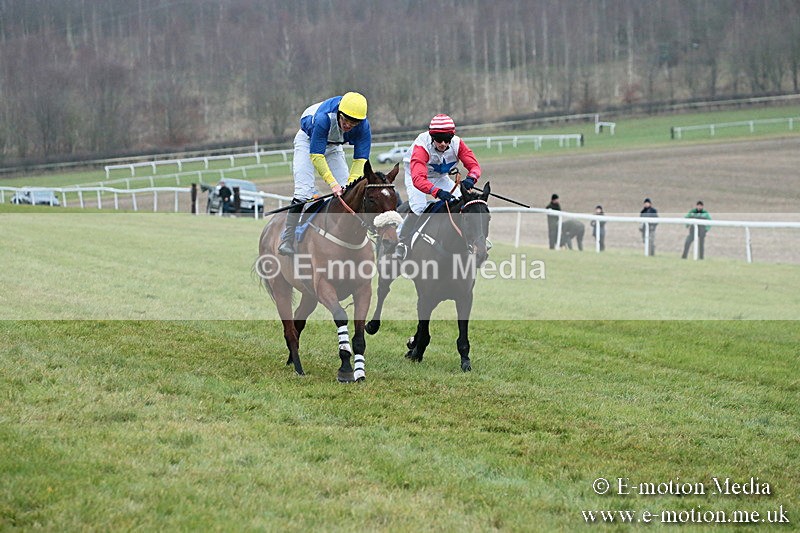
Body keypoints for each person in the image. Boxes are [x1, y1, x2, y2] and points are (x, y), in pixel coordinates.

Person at [278, 92, 371, 256]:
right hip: (308, 141)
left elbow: (360, 160)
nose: (348, 125)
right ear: (339, 113)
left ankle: (345, 236)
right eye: (345, 120)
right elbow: (316, 156)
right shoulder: (324, 118)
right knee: (303, 191)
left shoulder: (364, 127)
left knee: (349, 193)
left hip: (334, 146)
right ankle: (288, 237)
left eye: (353, 123)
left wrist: (349, 184)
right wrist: (332, 184)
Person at [394, 114, 481, 259]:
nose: (443, 144)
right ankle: (402, 241)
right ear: (432, 136)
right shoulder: (422, 146)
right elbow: (418, 179)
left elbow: (475, 167)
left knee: (463, 202)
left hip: (440, 177)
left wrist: (471, 179)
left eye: (447, 140)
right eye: (439, 139)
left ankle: (469, 239)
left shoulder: (458, 144)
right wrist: (437, 192)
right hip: (416, 176)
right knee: (419, 207)